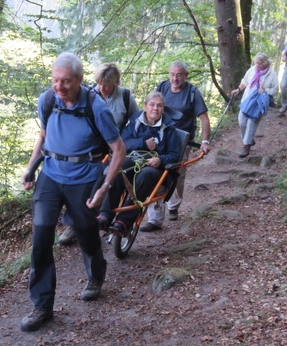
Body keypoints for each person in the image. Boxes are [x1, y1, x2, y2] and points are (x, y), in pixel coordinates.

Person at [19, 52, 126, 333]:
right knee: (41, 234)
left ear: (79, 80)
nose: (59, 86)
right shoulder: (47, 100)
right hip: (51, 175)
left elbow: (118, 150)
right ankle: (42, 305)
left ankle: (95, 275)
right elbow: (43, 136)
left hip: (84, 177)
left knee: (85, 229)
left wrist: (104, 187)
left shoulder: (96, 107)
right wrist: (30, 168)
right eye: (55, 80)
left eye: (66, 81)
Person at [58, 62, 139, 246]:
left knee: (108, 179)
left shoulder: (125, 97)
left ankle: (104, 217)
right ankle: (72, 224)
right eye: (100, 83)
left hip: (115, 147)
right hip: (90, 148)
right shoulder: (87, 95)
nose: (103, 88)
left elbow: (135, 122)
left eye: (108, 84)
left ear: (116, 83)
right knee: (79, 183)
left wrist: (126, 143)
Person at [97, 91, 182, 235]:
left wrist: (160, 160)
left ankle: (124, 221)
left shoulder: (169, 129)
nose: (155, 108)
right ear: (145, 107)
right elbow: (122, 143)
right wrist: (143, 144)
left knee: (145, 174)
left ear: (163, 109)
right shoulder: (134, 122)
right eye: (152, 105)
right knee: (119, 169)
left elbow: (175, 155)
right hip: (133, 161)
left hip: (156, 170)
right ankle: (105, 215)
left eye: (159, 106)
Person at [141, 60, 211, 231]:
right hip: (160, 137)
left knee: (177, 175)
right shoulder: (163, 87)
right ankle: (155, 219)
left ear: (185, 75)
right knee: (155, 173)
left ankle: (173, 205)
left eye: (179, 74)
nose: (175, 78)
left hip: (181, 141)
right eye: (172, 74)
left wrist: (205, 141)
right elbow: (152, 108)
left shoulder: (193, 93)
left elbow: (203, 118)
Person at [230, 53, 278, 158]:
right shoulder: (252, 70)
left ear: (265, 63)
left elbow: (275, 90)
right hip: (247, 99)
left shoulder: (271, 74)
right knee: (242, 121)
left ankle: (246, 146)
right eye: (257, 63)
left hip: (259, 102)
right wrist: (238, 90)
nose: (258, 65)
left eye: (260, 63)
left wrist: (265, 90)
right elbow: (245, 81)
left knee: (252, 123)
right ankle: (248, 139)